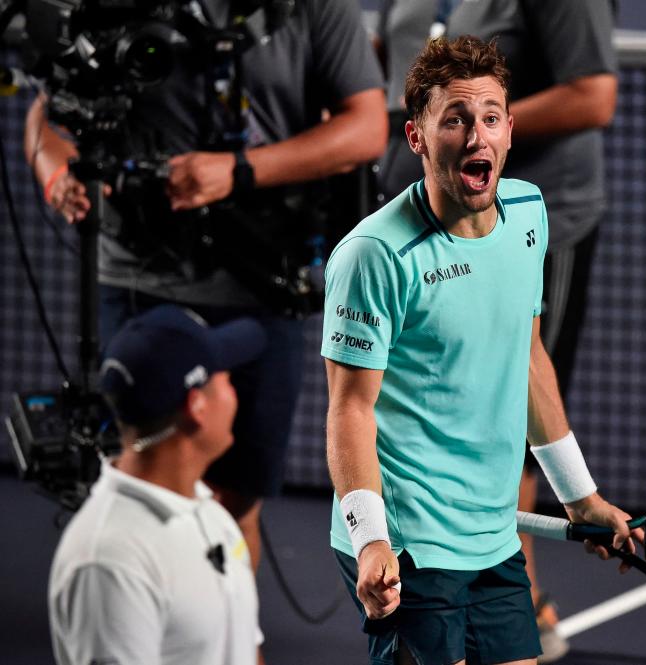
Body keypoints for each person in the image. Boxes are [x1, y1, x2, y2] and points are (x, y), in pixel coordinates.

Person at [24, 0, 388, 570]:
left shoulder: (315, 9)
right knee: (132, 487)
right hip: (135, 279)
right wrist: (57, 176)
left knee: (235, 503)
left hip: (261, 280)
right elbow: (51, 112)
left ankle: (231, 635)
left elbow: (367, 128)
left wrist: (241, 169)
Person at [323, 36, 637, 665]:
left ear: (510, 130)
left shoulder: (528, 213)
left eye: (490, 117)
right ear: (416, 137)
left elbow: (527, 356)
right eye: (455, 120)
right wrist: (370, 541)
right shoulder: (375, 256)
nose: (476, 137)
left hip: (495, 535)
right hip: (410, 540)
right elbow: (350, 409)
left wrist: (579, 495)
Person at [48, 304, 267, 665]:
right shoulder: (109, 562)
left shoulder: (212, 516)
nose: (234, 393)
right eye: (226, 379)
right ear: (197, 406)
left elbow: (243, 648)